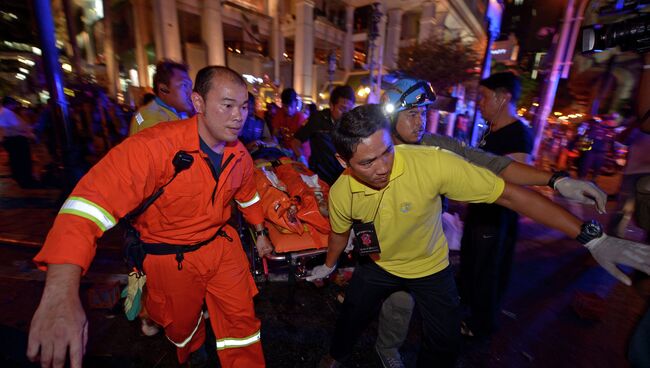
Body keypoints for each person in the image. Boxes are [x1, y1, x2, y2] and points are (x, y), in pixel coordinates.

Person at [310, 104, 650, 368]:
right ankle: (335, 356)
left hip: (430, 268)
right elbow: (340, 235)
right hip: (378, 266)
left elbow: (508, 194)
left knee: (444, 344)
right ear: (344, 161)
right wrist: (328, 265)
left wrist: (593, 238)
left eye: (387, 152)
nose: (383, 167)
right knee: (351, 317)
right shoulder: (341, 193)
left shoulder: (430, 163)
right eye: (368, 162)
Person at [26, 66, 273, 368]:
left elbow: (248, 196)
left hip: (223, 248)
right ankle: (192, 353)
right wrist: (60, 291)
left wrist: (260, 232)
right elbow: (86, 205)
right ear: (198, 103)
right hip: (171, 260)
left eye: (244, 106)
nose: (239, 116)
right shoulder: (153, 148)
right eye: (228, 105)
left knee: (243, 326)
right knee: (182, 326)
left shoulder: (240, 156)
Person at [460, 72, 534, 338]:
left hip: (497, 215)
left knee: (487, 270)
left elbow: (514, 179)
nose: (480, 102)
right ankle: (466, 310)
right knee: (471, 263)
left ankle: (481, 326)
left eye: (485, 96)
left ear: (504, 98)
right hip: (480, 211)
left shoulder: (518, 134)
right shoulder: (491, 131)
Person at [292, 85, 356, 185]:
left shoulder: (351, 124)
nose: (346, 115)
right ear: (331, 105)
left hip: (343, 178)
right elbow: (296, 141)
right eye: (342, 109)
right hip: (319, 178)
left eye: (349, 110)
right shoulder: (317, 119)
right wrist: (301, 159)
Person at [129, 59, 195, 135]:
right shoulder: (150, 120)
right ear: (164, 89)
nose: (191, 93)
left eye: (190, 86)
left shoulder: (178, 114)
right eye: (184, 85)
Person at [0, 96, 39, 188]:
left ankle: (21, 179)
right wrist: (29, 131)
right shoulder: (7, 113)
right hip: (17, 140)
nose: (15, 106)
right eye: (14, 104)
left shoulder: (4, 112)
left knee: (16, 161)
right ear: (10, 104)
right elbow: (18, 126)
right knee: (22, 161)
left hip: (11, 140)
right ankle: (25, 180)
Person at [272, 88, 308, 158]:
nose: (289, 109)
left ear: (296, 103)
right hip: (285, 153)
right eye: (285, 106)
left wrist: (297, 155)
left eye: (291, 106)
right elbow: (275, 134)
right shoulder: (280, 114)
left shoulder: (301, 118)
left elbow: (303, 144)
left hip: (300, 154)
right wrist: (277, 145)